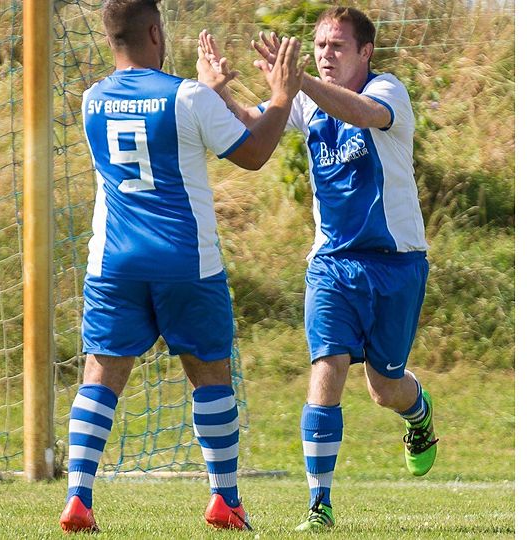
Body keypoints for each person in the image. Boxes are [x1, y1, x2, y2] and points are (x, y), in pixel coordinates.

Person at [59, 0, 307, 532]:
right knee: (209, 373)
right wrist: (282, 95)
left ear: (111, 39)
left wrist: (214, 94)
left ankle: (79, 496)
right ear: (155, 30)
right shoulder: (186, 95)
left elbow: (161, 132)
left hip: (114, 263)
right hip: (185, 261)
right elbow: (255, 151)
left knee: (100, 377)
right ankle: (225, 499)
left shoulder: (91, 100)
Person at [201, 6, 438, 531]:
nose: (326, 55)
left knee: (384, 387)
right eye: (319, 46)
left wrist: (298, 80)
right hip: (331, 263)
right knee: (326, 369)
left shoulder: (389, 91)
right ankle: (320, 505)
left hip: (396, 265)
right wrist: (220, 92)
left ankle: (417, 412)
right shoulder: (307, 99)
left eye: (337, 46)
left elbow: (363, 115)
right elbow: (257, 124)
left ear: (365, 52)